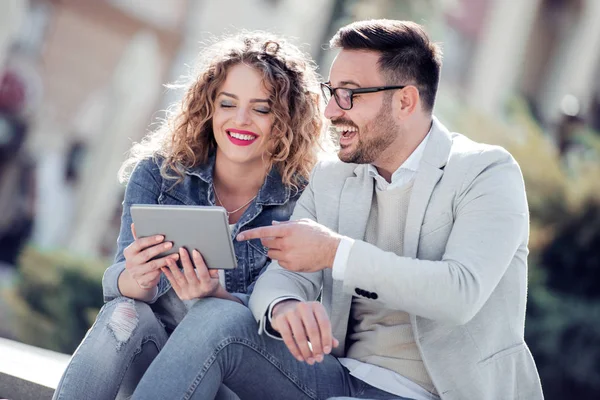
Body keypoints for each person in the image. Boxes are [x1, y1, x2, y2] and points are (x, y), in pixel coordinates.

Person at [131, 19, 544, 400]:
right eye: (332, 93)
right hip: (335, 375)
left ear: (405, 101)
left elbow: (460, 295)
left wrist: (336, 253)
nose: (331, 111)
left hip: (440, 392)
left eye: (349, 94)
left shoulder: (486, 172)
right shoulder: (333, 177)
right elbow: (281, 280)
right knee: (214, 319)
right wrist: (285, 307)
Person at [52, 31, 327, 400]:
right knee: (123, 312)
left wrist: (216, 296)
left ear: (286, 120)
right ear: (209, 106)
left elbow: (277, 330)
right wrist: (139, 277)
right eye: (228, 104)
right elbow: (117, 280)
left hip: (231, 376)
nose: (240, 120)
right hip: (152, 352)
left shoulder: (303, 202)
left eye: (261, 109)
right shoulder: (159, 174)